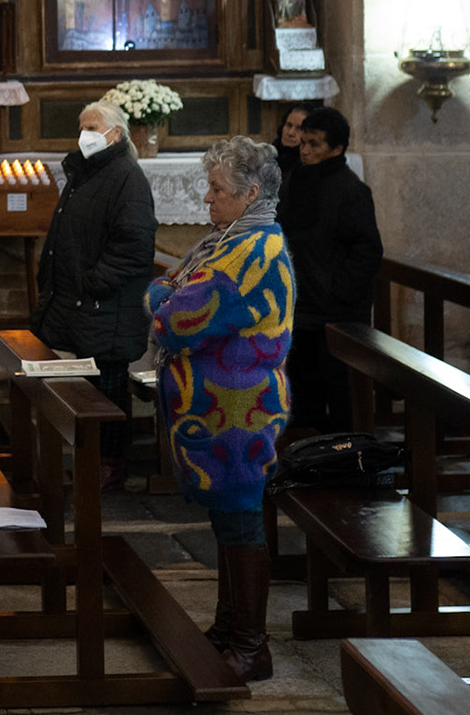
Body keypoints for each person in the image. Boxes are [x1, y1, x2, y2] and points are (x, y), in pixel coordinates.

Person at [148, 136, 294, 682]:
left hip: (238, 410)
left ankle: (252, 647)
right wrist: (167, 295)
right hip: (219, 407)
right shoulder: (229, 240)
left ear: (250, 193)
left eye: (217, 189)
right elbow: (170, 290)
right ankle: (229, 629)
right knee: (227, 519)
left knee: (240, 519)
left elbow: (175, 317)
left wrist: (164, 300)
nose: (207, 198)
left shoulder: (253, 252)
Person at [32, 99, 159, 489]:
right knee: (93, 385)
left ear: (115, 134)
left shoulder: (126, 177)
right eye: (82, 128)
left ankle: (110, 464)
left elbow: (134, 246)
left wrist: (93, 283)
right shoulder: (87, 172)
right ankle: (93, 459)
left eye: (91, 128)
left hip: (107, 305)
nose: (84, 135)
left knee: (109, 386)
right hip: (87, 303)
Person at [275, 106, 383, 435]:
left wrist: (335, 290)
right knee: (303, 399)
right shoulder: (294, 180)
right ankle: (308, 456)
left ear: (336, 149)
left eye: (314, 145)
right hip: (301, 309)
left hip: (336, 315)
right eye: (303, 143)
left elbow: (367, 251)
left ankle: (344, 458)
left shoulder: (352, 191)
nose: (305, 151)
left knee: (339, 400)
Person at [272, 102, 315, 192]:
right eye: (289, 125)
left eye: (299, 128)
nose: (290, 133)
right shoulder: (268, 156)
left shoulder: (309, 165)